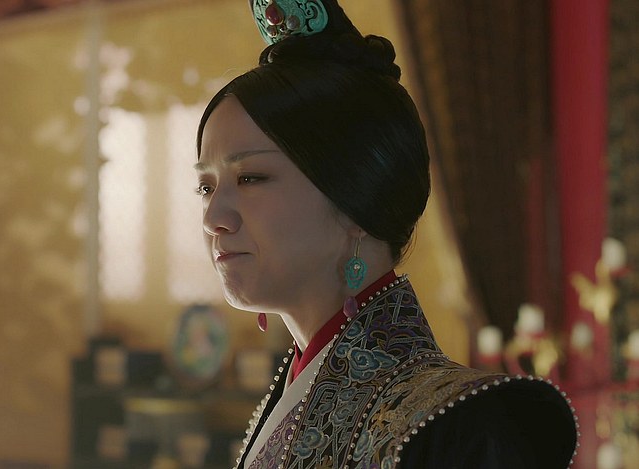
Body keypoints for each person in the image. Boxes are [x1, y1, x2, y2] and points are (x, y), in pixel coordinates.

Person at [193, 0, 579, 467]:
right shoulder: (287, 405)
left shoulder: (461, 428)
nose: (214, 217)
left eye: (250, 178)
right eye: (206, 186)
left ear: (356, 198)